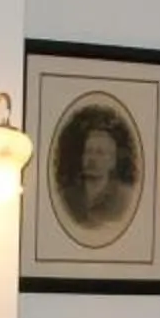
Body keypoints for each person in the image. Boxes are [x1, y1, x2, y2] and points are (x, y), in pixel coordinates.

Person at [52, 102, 140, 237]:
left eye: (100, 153)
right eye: (89, 151)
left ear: (112, 161)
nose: (92, 159)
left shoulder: (123, 198)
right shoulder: (68, 196)